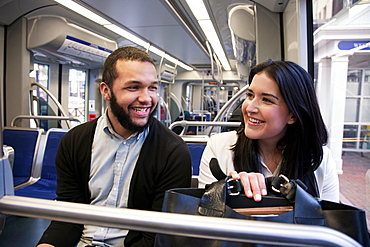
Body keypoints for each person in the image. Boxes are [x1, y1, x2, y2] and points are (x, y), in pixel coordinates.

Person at [37, 46, 192, 247]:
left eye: (152, 87)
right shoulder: (74, 141)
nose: (146, 98)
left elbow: (158, 235)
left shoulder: (172, 151)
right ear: (106, 91)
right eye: (133, 87)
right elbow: (69, 216)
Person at [198, 60, 339, 203]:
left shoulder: (320, 161)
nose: (249, 108)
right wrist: (232, 191)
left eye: (266, 100)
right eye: (250, 95)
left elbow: (328, 220)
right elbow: (206, 214)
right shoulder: (219, 147)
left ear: (293, 115)